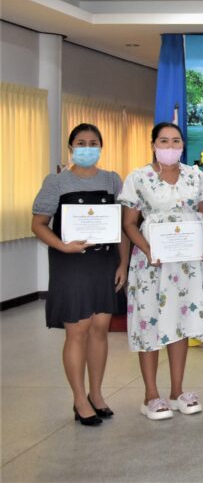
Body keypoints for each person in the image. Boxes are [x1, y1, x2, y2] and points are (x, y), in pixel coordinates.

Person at [31, 123, 129, 426]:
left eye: (93, 143)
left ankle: (96, 394)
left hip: (104, 263)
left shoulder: (112, 180)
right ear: (71, 147)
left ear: (101, 147)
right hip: (70, 264)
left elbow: (123, 226)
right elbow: (38, 224)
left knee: (100, 329)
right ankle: (79, 399)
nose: (87, 147)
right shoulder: (56, 182)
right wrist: (63, 245)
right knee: (78, 331)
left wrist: (123, 264)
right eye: (81, 142)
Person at [120, 122, 203, 421]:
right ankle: (150, 395)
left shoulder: (195, 176)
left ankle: (177, 391)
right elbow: (129, 223)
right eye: (164, 141)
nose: (170, 146)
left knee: (180, 321)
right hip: (152, 263)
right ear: (153, 144)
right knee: (149, 322)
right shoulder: (138, 178)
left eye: (176, 141)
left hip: (187, 264)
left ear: (182, 145)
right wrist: (148, 249)